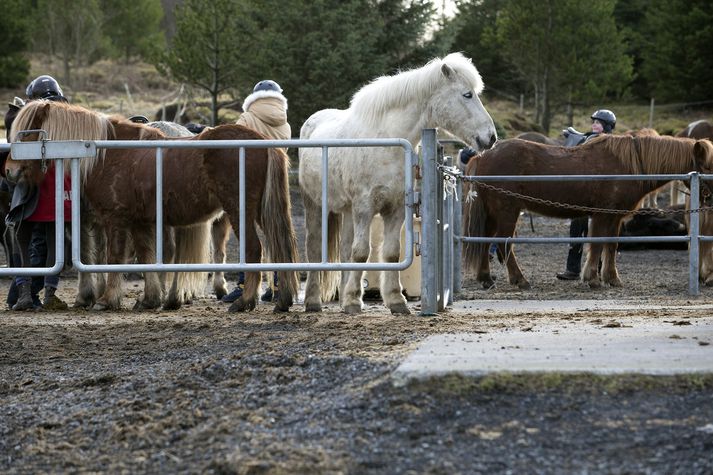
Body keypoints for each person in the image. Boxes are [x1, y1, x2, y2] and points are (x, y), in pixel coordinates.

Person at [4, 74, 71, 310]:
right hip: (52, 182)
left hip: (33, 182)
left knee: (23, 237)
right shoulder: (66, 116)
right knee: (54, 239)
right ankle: (46, 293)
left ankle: (26, 292)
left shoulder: (28, 115)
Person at [222, 79, 291, 304]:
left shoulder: (247, 118)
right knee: (276, 230)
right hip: (277, 180)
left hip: (249, 180)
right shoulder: (285, 122)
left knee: (245, 228)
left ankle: (245, 284)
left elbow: (234, 147)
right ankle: (279, 285)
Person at [556, 109, 616, 281]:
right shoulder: (586, 140)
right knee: (576, 230)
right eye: (594, 122)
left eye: (598, 122)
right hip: (582, 195)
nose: (594, 124)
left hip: (600, 197)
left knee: (599, 233)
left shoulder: (612, 144)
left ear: (607, 126)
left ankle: (595, 268)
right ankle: (572, 269)